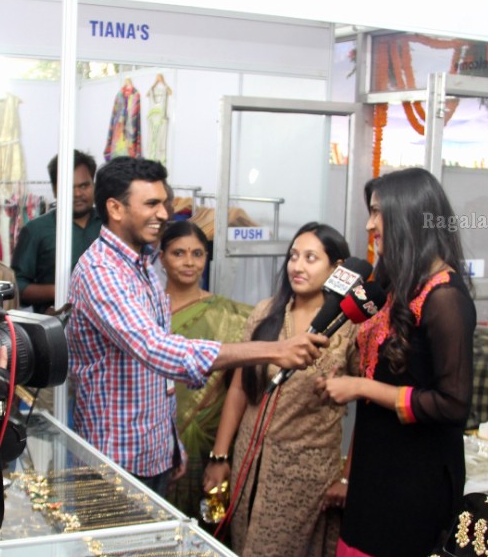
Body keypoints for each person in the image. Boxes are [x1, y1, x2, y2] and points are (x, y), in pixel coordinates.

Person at [66, 156, 327, 497]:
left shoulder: (140, 265)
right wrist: (275, 350)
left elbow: (156, 379)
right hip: (117, 462)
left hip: (153, 454)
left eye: (164, 202)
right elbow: (157, 351)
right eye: (152, 204)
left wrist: (170, 445)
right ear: (115, 208)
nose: (164, 213)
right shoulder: (102, 271)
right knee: (115, 552)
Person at [318, 167, 475, 557]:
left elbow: (452, 404)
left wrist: (362, 386)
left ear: (409, 216)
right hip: (375, 472)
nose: (369, 225)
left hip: (417, 483)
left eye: (378, 213)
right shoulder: (393, 285)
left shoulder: (445, 296)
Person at [204, 223, 354, 557]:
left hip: (304, 473)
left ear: (337, 268)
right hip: (248, 464)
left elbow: (367, 407)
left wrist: (346, 475)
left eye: (310, 258)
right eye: (293, 256)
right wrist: (221, 458)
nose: (297, 266)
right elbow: (238, 389)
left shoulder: (350, 329)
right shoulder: (267, 313)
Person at [157, 221, 250, 518]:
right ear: (161, 258)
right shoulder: (145, 311)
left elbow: (239, 386)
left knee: (209, 527)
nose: (189, 262)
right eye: (178, 253)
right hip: (153, 442)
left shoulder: (231, 316)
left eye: (197, 254)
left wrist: (220, 455)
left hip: (210, 443)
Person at [12, 150, 102, 314]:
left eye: (84, 185)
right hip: (55, 328)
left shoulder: (108, 226)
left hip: (105, 326)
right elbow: (18, 286)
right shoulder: (35, 230)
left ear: (93, 185)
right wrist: (62, 291)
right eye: (69, 187)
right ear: (55, 190)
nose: (77, 194)